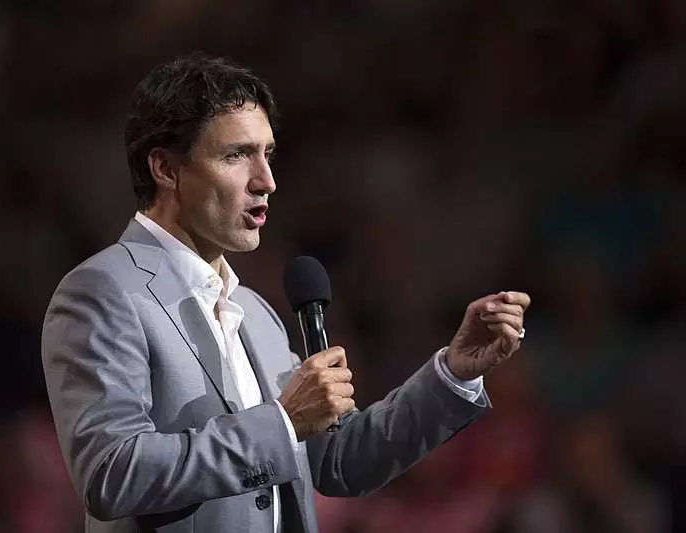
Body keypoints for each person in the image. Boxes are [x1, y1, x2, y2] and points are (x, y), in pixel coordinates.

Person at [40, 53, 531, 533]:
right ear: (165, 169)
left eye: (267, 154)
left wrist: (454, 373)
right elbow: (111, 474)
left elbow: (341, 460)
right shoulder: (103, 292)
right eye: (236, 155)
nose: (267, 181)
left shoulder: (255, 313)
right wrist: (283, 421)